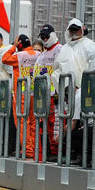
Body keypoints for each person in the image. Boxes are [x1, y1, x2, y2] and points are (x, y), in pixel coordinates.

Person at [52, 18, 95, 167]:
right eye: (71, 30)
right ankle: (87, 155)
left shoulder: (90, 47)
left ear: (82, 30)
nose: (74, 33)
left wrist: (59, 136)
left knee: (77, 132)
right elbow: (58, 69)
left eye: (77, 30)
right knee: (84, 126)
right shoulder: (66, 49)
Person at [2, 34, 41, 159]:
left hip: (21, 93)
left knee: (22, 122)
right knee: (34, 123)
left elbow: (4, 59)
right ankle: (36, 150)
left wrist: (13, 47)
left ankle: (28, 150)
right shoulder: (38, 54)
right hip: (35, 92)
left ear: (19, 44)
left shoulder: (18, 56)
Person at [33, 24, 62, 161]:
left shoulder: (60, 50)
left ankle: (59, 151)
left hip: (58, 95)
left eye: (46, 36)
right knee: (48, 125)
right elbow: (36, 75)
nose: (44, 39)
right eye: (42, 37)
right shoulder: (42, 55)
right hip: (45, 95)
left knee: (57, 124)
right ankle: (52, 152)